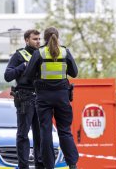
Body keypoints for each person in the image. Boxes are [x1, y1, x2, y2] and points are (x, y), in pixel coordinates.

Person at [24, 27, 78, 169]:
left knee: (45, 131)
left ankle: (49, 166)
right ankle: (72, 164)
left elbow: (28, 74)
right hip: (62, 97)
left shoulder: (39, 53)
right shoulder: (65, 52)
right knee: (65, 130)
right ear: (57, 37)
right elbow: (74, 73)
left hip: (43, 97)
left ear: (45, 38)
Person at [4, 29, 44, 169]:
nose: (38, 41)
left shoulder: (43, 54)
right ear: (27, 40)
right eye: (35, 39)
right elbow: (7, 75)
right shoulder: (19, 55)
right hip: (25, 98)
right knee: (23, 135)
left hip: (40, 98)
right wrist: (23, 66)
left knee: (40, 135)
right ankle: (23, 166)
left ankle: (40, 165)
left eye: (39, 39)